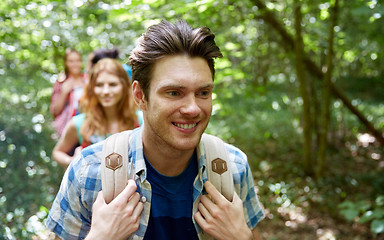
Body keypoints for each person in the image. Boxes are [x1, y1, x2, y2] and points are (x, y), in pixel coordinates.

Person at [46, 20, 264, 240]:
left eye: (203, 93)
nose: (193, 108)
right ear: (140, 96)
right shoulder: (87, 172)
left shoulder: (232, 168)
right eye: (174, 93)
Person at [52, 58, 142, 169]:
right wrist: (71, 161)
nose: (106, 91)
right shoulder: (79, 123)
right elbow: (57, 152)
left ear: (124, 86)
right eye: (99, 85)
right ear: (91, 88)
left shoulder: (141, 121)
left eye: (113, 84)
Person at [50, 48, 87, 136]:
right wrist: (64, 92)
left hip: (88, 126)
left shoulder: (88, 79)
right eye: (71, 61)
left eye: (77, 61)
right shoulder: (61, 83)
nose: (75, 64)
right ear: (66, 63)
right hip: (69, 129)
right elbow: (55, 111)